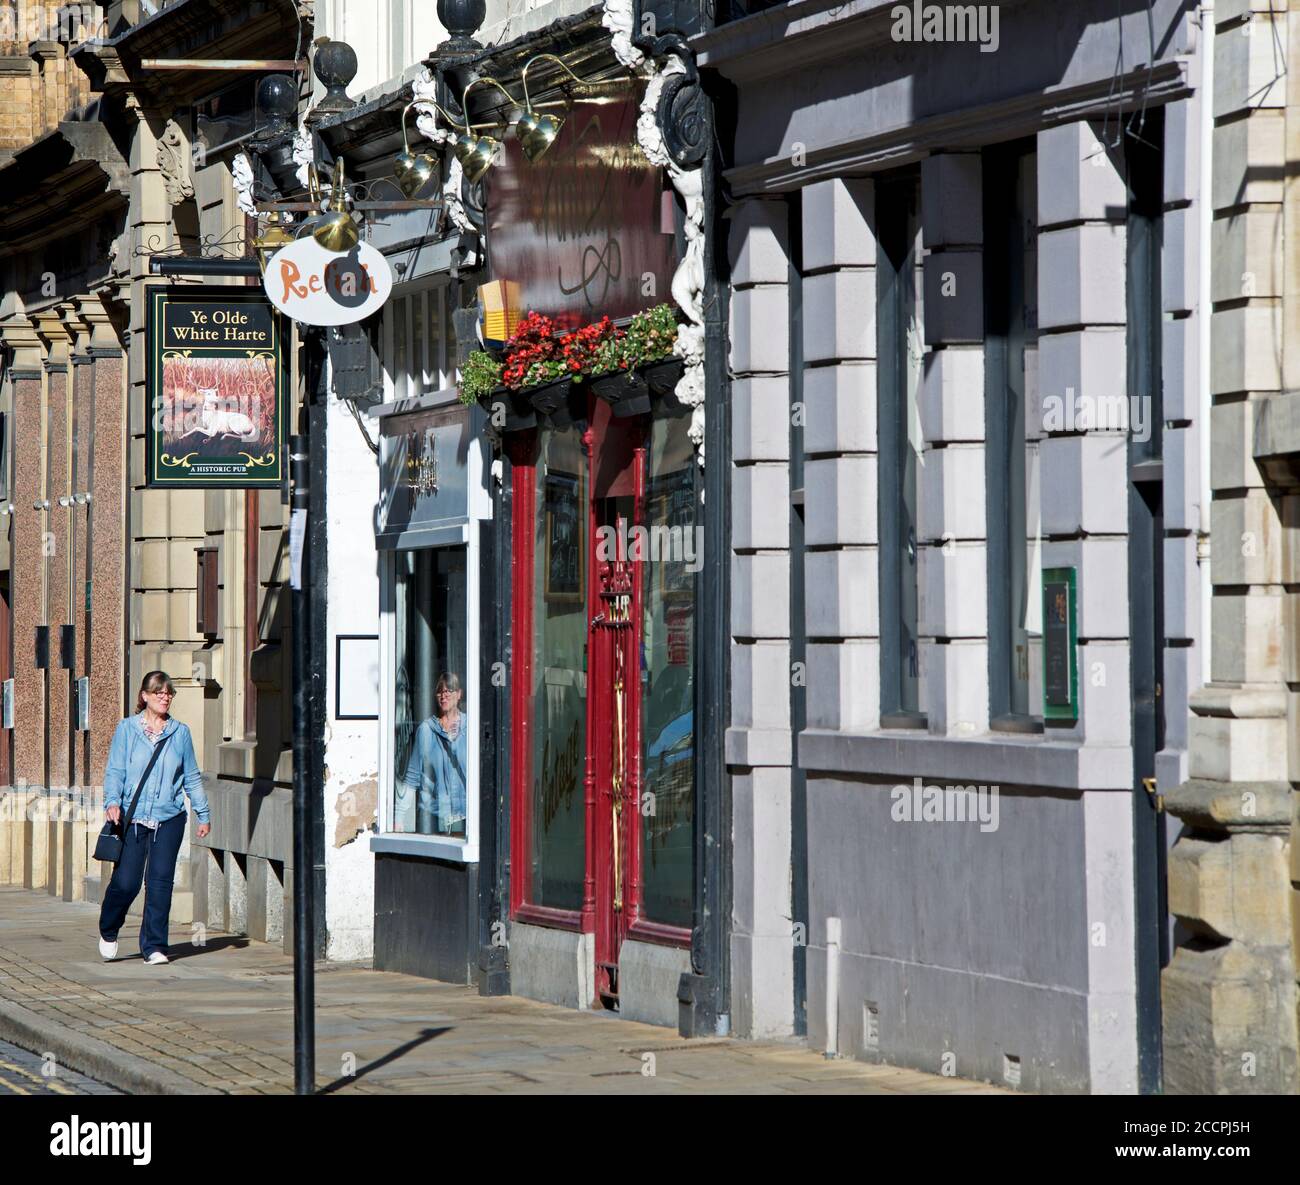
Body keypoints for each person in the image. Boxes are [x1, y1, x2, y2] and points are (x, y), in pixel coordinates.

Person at [98, 671, 211, 965]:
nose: (165, 696)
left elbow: (191, 777)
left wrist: (203, 813)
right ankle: (109, 929)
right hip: (132, 819)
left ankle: (155, 946)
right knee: (126, 884)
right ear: (144, 696)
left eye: (168, 692)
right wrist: (112, 802)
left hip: (169, 818)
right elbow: (116, 771)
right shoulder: (127, 730)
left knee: (160, 882)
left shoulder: (180, 733)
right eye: (158, 691)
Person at [400, 672, 467, 835]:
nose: (443, 696)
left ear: (459, 694)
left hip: (467, 815)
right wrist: (398, 817)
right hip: (436, 817)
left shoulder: (470, 727)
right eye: (439, 691)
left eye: (448, 691)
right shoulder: (426, 730)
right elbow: (413, 775)